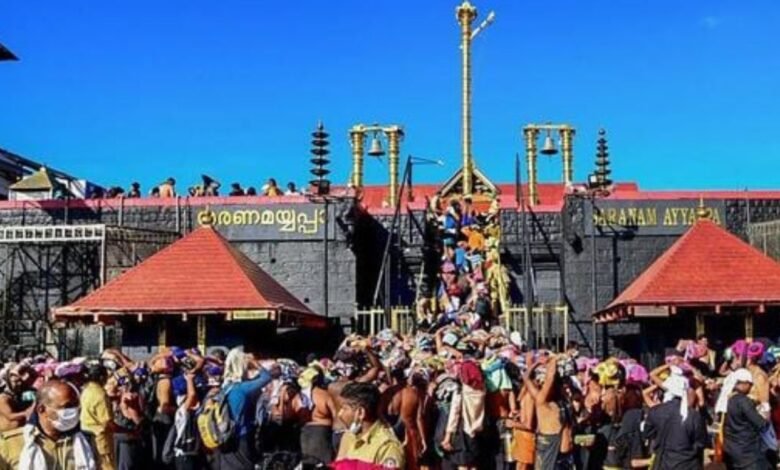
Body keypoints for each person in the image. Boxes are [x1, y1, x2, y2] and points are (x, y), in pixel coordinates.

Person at [0, 379, 100, 470]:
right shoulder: (10, 444)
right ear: (41, 409)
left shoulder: (86, 441)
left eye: (76, 405)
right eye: (67, 406)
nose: (74, 411)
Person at [217, 348, 273, 470]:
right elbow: (267, 377)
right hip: (241, 436)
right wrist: (255, 363)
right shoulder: (242, 388)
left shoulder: (226, 387)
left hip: (225, 434)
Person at [644, 370, 707, 470]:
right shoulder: (694, 415)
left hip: (663, 463)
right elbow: (701, 443)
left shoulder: (655, 412)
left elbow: (648, 434)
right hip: (688, 464)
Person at [335, 382, 404, 469]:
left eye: (344, 408)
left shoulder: (387, 446)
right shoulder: (348, 437)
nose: (340, 414)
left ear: (360, 412)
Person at [724, 368, 772, 470]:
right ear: (743, 384)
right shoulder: (744, 402)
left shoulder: (730, 399)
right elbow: (761, 424)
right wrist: (766, 414)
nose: (751, 387)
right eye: (749, 384)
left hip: (733, 450)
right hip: (748, 454)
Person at [81, 361, 116, 470]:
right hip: (101, 439)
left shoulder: (86, 390)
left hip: (87, 435)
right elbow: (107, 422)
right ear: (101, 377)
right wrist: (125, 431)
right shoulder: (101, 394)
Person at [0, 364, 33, 432]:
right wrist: (26, 413)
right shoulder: (3, 398)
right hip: (8, 434)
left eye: (20, 381)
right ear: (8, 382)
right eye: (16, 381)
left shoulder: (18, 395)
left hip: (20, 430)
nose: (19, 384)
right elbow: (10, 416)